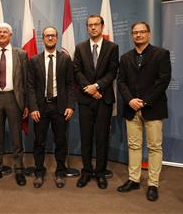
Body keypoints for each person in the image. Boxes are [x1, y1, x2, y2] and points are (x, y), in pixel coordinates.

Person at [117, 21, 171, 201]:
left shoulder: (161, 54)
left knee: (154, 147)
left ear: (148, 34)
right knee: (134, 146)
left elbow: (163, 81)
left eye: (142, 32)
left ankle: (153, 183)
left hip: (153, 108)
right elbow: (121, 82)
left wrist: (145, 101)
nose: (138, 35)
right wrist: (130, 100)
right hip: (131, 109)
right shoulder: (125, 58)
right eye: (135, 32)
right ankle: (134, 179)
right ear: (132, 35)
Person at [73, 14, 119, 189]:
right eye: (90, 25)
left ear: (102, 26)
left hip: (104, 100)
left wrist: (98, 86)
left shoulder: (112, 47)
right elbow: (77, 71)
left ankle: (100, 173)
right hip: (86, 99)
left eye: (96, 24)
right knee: (86, 138)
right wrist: (90, 89)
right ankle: (86, 172)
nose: (93, 27)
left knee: (101, 139)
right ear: (87, 28)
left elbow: (112, 72)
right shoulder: (80, 47)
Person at [28, 27, 75, 188]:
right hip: (40, 108)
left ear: (57, 38)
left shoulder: (65, 59)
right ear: (43, 38)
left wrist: (70, 105)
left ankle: (60, 172)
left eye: (53, 35)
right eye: (47, 35)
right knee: (39, 142)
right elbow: (30, 87)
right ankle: (39, 172)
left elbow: (70, 85)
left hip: (60, 107)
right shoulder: (34, 60)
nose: (50, 38)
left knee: (61, 141)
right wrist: (33, 107)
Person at [0, 22, 29, 186]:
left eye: (5, 32)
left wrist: (26, 105)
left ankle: (19, 170)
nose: (2, 34)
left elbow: (26, 81)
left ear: (10, 35)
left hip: (14, 98)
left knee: (17, 138)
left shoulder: (21, 54)